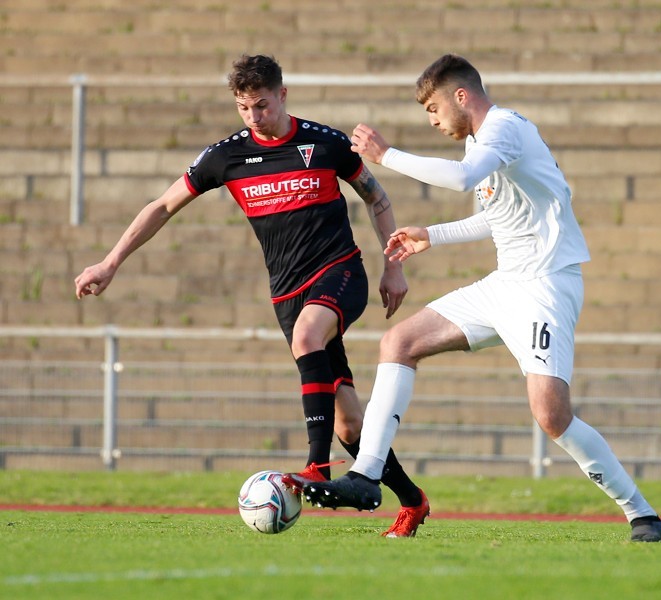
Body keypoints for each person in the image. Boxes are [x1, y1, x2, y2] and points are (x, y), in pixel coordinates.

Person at [302, 53, 661, 543]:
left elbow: (460, 179)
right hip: (504, 284)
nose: (433, 121)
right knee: (399, 341)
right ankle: (366, 476)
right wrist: (431, 234)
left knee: (552, 415)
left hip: (545, 285)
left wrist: (386, 156)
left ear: (461, 96)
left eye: (433, 109)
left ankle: (642, 514)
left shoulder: (506, 129)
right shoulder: (483, 142)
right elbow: (489, 217)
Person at [74, 54, 430, 538]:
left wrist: (393, 268)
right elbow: (161, 206)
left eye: (261, 105)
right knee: (349, 423)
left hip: (340, 273)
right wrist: (110, 261)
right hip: (287, 292)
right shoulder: (226, 156)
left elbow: (376, 197)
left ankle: (316, 468)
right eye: (244, 108)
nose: (254, 117)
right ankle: (412, 500)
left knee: (309, 335)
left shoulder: (324, 143)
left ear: (283, 95)